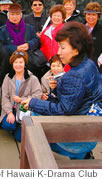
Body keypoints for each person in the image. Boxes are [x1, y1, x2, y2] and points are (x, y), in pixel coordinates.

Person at [22, 22, 102, 159]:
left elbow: (64, 110)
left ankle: (39, 157)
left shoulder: (74, 75)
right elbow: (76, 99)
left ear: (76, 50)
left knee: (32, 116)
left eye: (62, 47)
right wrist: (57, 89)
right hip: (91, 126)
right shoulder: (89, 64)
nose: (58, 52)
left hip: (79, 136)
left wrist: (33, 102)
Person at [0, 50, 42, 141]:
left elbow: (38, 95)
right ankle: (15, 125)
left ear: (25, 63)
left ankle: (20, 126)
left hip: (24, 110)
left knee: (19, 138)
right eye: (15, 62)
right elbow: (5, 96)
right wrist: (9, 113)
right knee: (8, 125)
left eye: (21, 62)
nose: (18, 65)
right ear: (12, 64)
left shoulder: (32, 78)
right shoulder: (8, 77)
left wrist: (22, 100)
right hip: (12, 108)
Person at [84, 2, 102, 73]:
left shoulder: (101, 30)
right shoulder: (80, 28)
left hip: (97, 68)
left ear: (98, 16)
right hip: (80, 66)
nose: (90, 17)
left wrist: (99, 62)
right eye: (88, 14)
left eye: (94, 15)